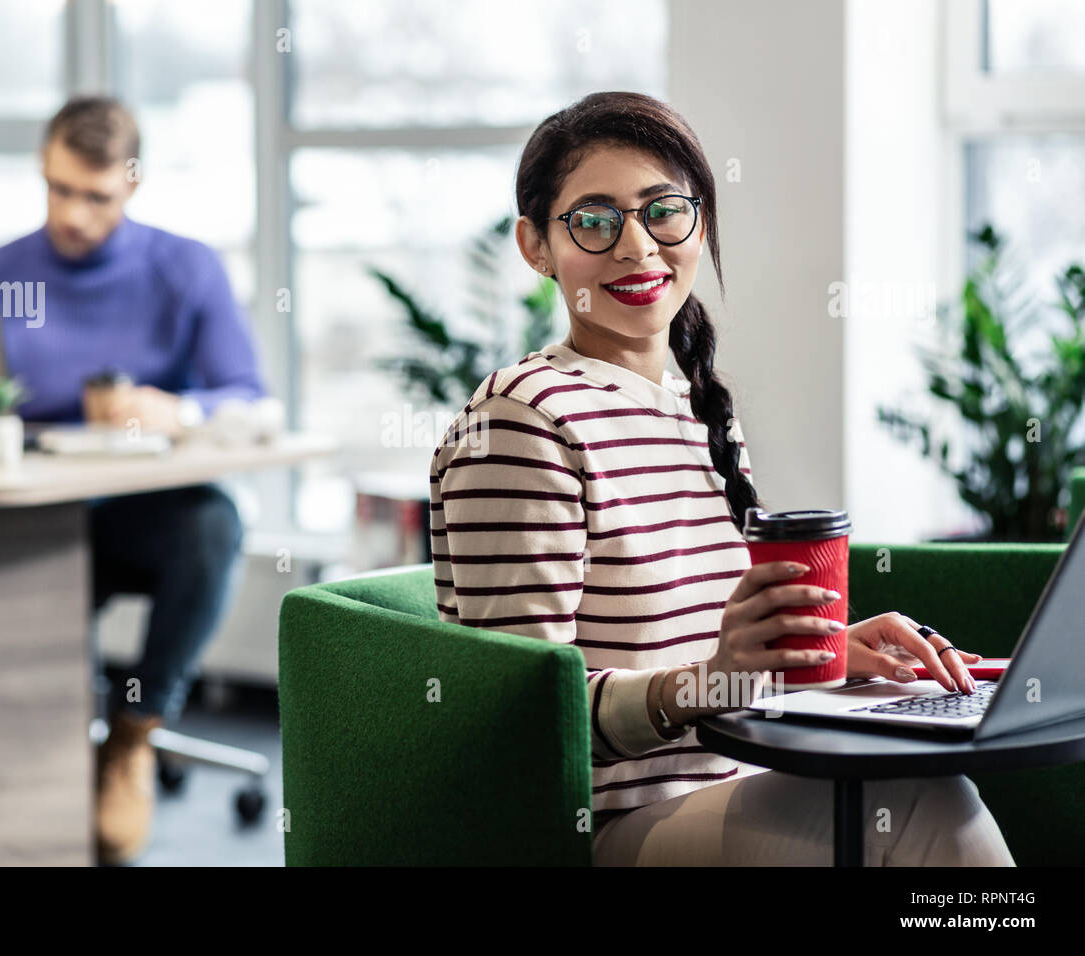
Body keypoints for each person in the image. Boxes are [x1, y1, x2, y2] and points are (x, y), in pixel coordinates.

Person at [428, 91, 1015, 866]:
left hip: (740, 778)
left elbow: (706, 653)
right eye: (594, 220)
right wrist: (710, 683)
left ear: (697, 223)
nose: (637, 247)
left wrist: (828, 653)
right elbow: (522, 718)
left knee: (920, 783)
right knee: (919, 803)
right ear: (536, 246)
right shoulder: (520, 418)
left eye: (663, 211)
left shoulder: (698, 404)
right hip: (604, 827)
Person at [0, 95, 269, 865]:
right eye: (59, 189)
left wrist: (173, 408)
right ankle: (32, 748)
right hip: (18, 524)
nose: (75, 216)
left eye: (97, 196)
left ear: (134, 185)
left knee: (213, 524)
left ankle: (132, 733)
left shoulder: (184, 268)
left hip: (136, 523)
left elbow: (250, 397)